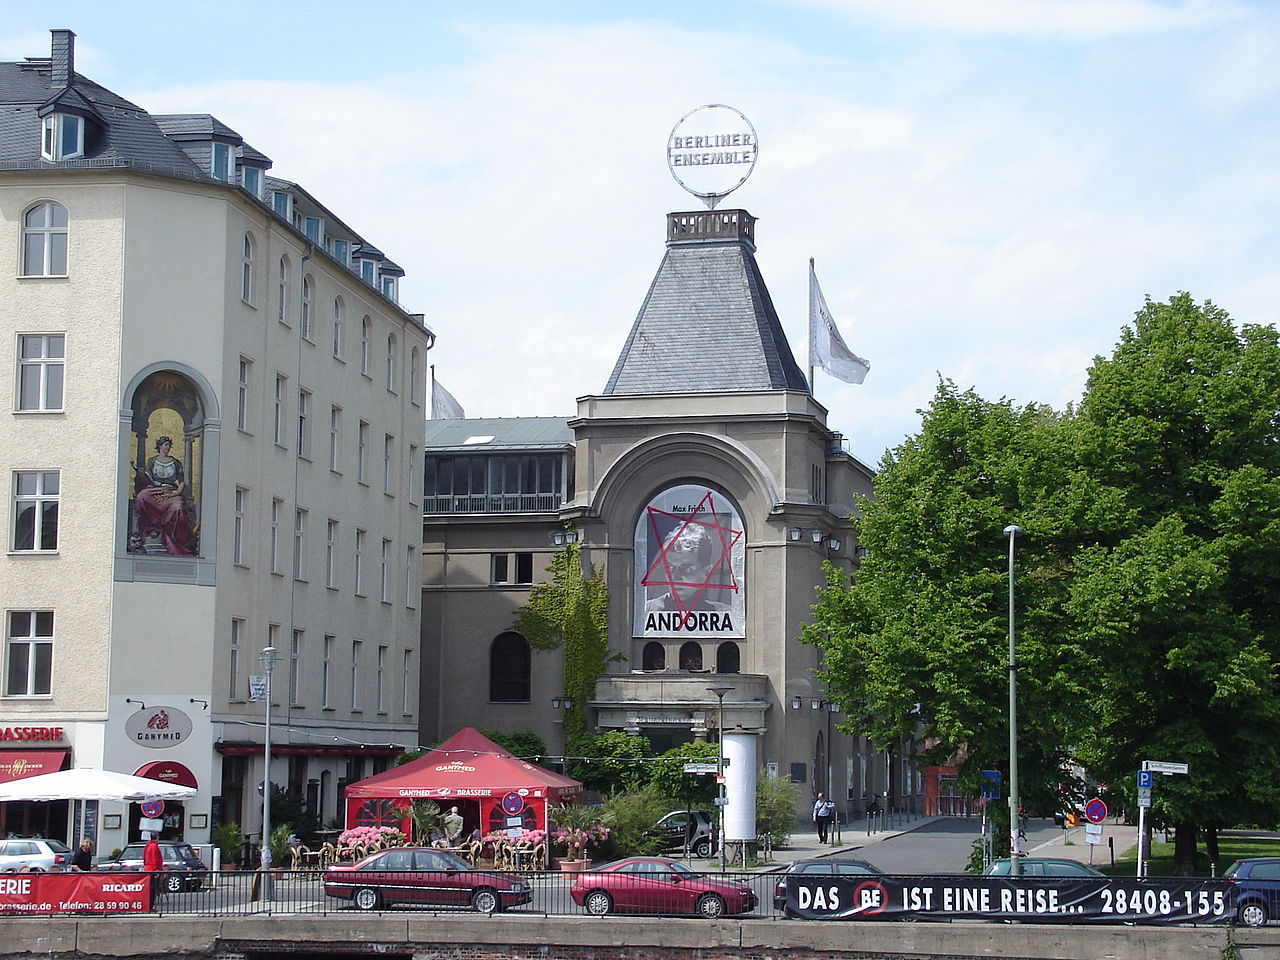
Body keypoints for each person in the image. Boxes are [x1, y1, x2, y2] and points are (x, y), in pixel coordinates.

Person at [131, 436, 196, 556]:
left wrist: (177, 492)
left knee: (177, 507)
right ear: (159, 446)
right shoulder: (152, 461)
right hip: (155, 489)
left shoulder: (176, 462)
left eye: (169, 445)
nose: (168, 447)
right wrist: (140, 473)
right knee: (141, 497)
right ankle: (151, 529)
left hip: (170, 490)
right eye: (165, 445)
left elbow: (181, 481)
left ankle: (175, 538)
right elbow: (148, 478)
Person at [142, 833, 163, 908]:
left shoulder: (148, 845)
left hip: (148, 868)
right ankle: (150, 906)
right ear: (157, 838)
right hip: (152, 869)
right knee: (153, 888)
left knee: (150, 888)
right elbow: (155, 859)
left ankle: (148, 905)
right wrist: (157, 870)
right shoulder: (154, 846)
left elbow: (145, 857)